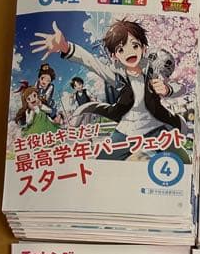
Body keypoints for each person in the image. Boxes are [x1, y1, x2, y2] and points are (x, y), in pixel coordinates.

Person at [30, 18, 184, 160]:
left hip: (155, 128)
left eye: (135, 46)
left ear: (143, 48)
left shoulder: (153, 71)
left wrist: (167, 90)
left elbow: (181, 88)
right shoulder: (117, 76)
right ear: (114, 55)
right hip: (128, 130)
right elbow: (92, 62)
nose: (129, 52)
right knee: (102, 162)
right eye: (121, 50)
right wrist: (65, 46)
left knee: (183, 160)